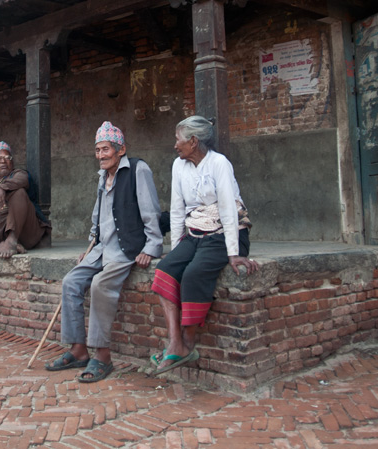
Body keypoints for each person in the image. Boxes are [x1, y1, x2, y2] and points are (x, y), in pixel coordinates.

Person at [45, 121, 163, 384]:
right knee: (71, 282)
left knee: (99, 284)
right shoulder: (102, 176)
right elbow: (98, 214)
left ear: (120, 150)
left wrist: (151, 246)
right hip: (101, 248)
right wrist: (90, 243)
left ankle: (103, 355)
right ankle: (78, 349)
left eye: (105, 149)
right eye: (97, 150)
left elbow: (150, 210)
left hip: (125, 248)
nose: (100, 155)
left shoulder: (137, 169)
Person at [150, 116, 257, 375]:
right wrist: (177, 249)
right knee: (166, 269)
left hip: (227, 234)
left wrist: (234, 253)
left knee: (193, 274)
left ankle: (188, 342)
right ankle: (175, 342)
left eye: (179, 140)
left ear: (193, 141)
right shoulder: (178, 166)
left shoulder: (219, 164)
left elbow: (229, 210)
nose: (175, 145)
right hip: (196, 233)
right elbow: (177, 211)